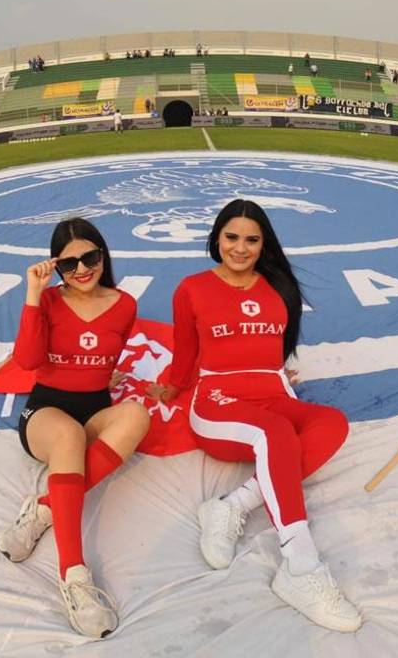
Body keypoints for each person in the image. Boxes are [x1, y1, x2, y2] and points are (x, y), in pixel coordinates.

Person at [147, 200, 362, 632]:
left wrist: (274, 375)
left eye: (251, 239)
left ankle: (231, 506)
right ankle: (301, 567)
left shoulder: (279, 288)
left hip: (272, 394)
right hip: (218, 402)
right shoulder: (191, 288)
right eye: (231, 237)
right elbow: (186, 357)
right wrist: (167, 386)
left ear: (264, 244)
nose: (240, 248)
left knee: (331, 423)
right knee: (276, 431)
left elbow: (273, 353)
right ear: (216, 238)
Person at [0, 218, 150, 638]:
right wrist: (33, 293)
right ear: (56, 267)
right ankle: (74, 577)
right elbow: (28, 362)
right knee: (67, 436)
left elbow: (102, 358)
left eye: (91, 257)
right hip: (45, 415)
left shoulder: (125, 304)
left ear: (103, 255)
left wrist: (103, 377)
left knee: (137, 415)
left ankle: (47, 507)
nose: (82, 269)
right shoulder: (46, 301)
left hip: (93, 411)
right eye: (69, 264)